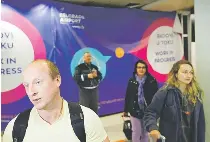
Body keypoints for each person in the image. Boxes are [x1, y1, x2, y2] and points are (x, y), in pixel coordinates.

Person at [3, 59, 110, 142]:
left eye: (38, 82)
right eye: (26, 85)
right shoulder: (15, 128)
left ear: (57, 80)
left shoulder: (87, 119)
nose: (31, 91)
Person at [143, 60, 205, 142]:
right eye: (185, 72)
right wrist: (153, 128)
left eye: (191, 72)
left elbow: (200, 124)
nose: (188, 75)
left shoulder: (196, 94)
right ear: (176, 74)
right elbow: (151, 112)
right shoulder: (165, 92)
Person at [123, 60, 158, 142]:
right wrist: (125, 110)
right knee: (136, 132)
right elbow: (128, 96)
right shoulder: (132, 81)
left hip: (147, 111)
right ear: (136, 69)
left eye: (143, 67)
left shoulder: (151, 80)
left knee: (145, 132)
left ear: (146, 69)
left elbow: (156, 97)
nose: (141, 69)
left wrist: (156, 110)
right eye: (139, 67)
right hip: (134, 110)